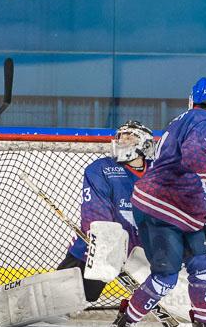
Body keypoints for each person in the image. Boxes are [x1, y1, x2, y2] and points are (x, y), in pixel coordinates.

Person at [105, 77, 206, 327]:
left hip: (179, 208)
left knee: (201, 267)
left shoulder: (184, 119)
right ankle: (123, 326)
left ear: (191, 99)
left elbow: (184, 168)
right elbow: (195, 158)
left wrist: (204, 216)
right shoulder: (204, 120)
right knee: (166, 277)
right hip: (162, 207)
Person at [57, 120, 155, 302]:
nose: (122, 140)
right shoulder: (101, 169)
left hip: (145, 249)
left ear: (145, 144)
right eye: (120, 136)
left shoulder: (159, 171)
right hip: (102, 246)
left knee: (160, 291)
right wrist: (108, 243)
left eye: (130, 137)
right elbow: (95, 212)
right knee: (69, 296)